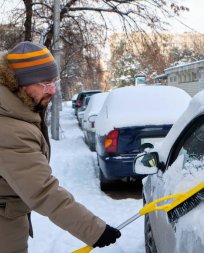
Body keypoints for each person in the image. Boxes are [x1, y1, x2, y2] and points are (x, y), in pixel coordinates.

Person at [0, 41, 121, 252]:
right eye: (45, 83)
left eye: (54, 82)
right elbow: (42, 191)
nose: (53, 91)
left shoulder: (17, 112)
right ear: (21, 83)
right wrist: (94, 230)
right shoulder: (10, 129)